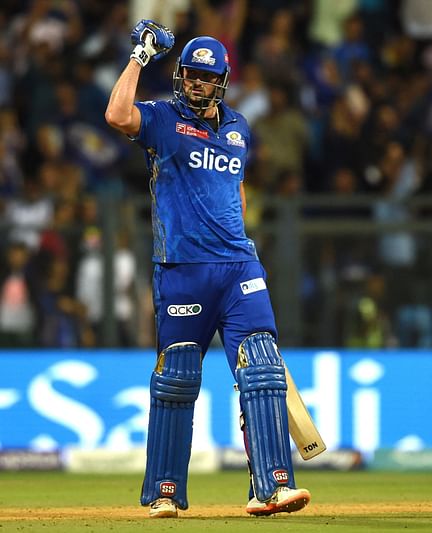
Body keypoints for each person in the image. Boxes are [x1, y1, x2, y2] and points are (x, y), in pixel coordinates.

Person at [105, 20, 311, 518]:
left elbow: (235, 189)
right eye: (190, 75)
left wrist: (239, 233)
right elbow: (116, 115)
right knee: (177, 381)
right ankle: (165, 493)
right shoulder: (160, 117)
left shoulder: (239, 128)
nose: (196, 83)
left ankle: (272, 487)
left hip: (239, 265)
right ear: (180, 76)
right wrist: (139, 56)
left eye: (206, 77)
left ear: (221, 81)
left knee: (262, 370)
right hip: (182, 268)